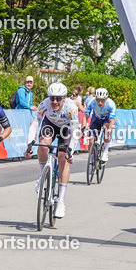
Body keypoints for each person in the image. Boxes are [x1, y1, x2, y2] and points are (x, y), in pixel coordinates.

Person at [29, 82, 78, 219]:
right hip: (50, 124)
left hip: (66, 128)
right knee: (43, 145)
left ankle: (61, 201)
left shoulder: (71, 108)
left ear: (65, 98)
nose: (55, 102)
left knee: (62, 157)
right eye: (52, 98)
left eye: (58, 98)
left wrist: (71, 151)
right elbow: (35, 124)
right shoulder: (44, 105)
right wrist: (29, 142)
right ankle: (41, 175)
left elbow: (75, 132)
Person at [85, 87, 117, 162]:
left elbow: (112, 120)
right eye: (98, 100)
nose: (100, 103)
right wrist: (83, 127)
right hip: (96, 119)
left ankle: (105, 152)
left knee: (107, 130)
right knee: (91, 140)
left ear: (106, 99)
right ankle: (91, 159)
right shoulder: (92, 102)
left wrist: (109, 129)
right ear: (95, 99)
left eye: (102, 100)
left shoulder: (111, 104)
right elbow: (85, 115)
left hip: (106, 119)